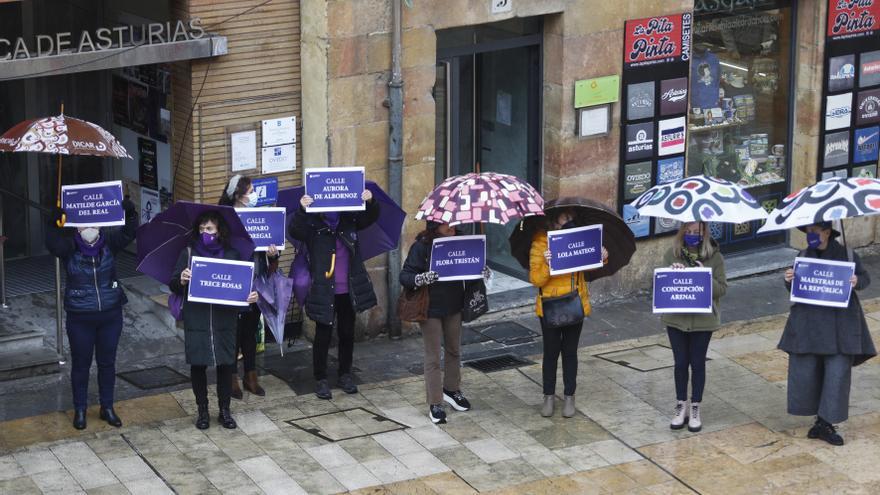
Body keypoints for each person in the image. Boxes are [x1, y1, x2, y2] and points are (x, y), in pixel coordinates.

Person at [780, 222, 876, 446]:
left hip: (841, 327)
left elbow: (865, 278)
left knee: (836, 376)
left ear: (826, 232)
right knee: (808, 373)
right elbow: (796, 287)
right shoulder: (803, 256)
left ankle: (827, 422)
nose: (811, 235)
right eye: (808, 232)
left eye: (815, 231)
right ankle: (818, 420)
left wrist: (856, 281)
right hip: (809, 326)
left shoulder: (848, 255)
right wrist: (788, 279)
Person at [45, 199, 138, 430]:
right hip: (80, 316)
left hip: (110, 315)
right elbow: (52, 243)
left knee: (107, 363)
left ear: (101, 227)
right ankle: (80, 409)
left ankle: (107, 407)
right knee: (81, 364)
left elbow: (129, 232)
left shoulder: (110, 244)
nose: (89, 229)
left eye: (94, 225)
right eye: (84, 225)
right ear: (76, 227)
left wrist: (130, 211)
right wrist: (53, 222)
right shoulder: (69, 248)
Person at [169, 210, 258, 430]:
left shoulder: (232, 255)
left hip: (224, 319)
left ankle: (225, 411)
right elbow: (172, 282)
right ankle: (202, 411)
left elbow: (243, 286)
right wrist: (180, 279)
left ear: (219, 231)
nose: (205, 233)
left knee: (226, 364)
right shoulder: (188, 253)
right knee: (198, 364)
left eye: (209, 229)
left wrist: (250, 295)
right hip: (197, 317)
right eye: (201, 229)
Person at [288, 189, 378, 399]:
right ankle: (320, 378)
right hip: (324, 289)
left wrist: (370, 201)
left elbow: (370, 217)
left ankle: (345, 374)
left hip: (348, 289)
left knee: (347, 333)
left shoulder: (350, 220)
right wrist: (302, 208)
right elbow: (295, 230)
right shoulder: (313, 224)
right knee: (323, 335)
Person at [400, 221, 489, 424]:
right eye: (445, 224)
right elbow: (405, 276)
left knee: (454, 350)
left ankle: (451, 389)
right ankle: (435, 403)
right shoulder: (422, 246)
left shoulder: (463, 241)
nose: (450, 227)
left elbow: (472, 268)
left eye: (453, 223)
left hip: (454, 305)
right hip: (430, 307)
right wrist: (422, 278)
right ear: (434, 226)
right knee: (432, 356)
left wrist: (482, 271)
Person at [529, 209, 608, 418]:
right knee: (551, 353)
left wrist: (602, 256)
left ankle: (569, 396)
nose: (569, 222)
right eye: (566, 218)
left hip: (575, 302)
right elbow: (536, 279)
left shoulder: (578, 238)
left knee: (570, 353)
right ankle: (548, 396)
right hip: (550, 305)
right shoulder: (540, 243)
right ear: (555, 221)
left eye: (572, 218)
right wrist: (546, 264)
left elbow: (592, 265)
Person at [661, 221, 727, 433]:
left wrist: (704, 276)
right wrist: (672, 273)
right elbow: (659, 285)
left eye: (695, 232)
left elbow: (722, 289)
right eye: (687, 232)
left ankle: (696, 407)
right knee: (680, 363)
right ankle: (681, 406)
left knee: (697, 363)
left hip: (702, 321)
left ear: (703, 233)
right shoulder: (672, 255)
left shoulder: (715, 257)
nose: (691, 235)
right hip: (676, 319)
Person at [219, 175, 279, 399]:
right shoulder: (225, 220)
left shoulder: (259, 215)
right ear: (238, 195)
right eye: (250, 191)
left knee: (250, 332)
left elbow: (269, 249)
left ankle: (251, 376)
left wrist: (273, 254)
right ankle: (232, 377)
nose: (254, 195)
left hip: (256, 281)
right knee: (233, 332)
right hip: (234, 282)